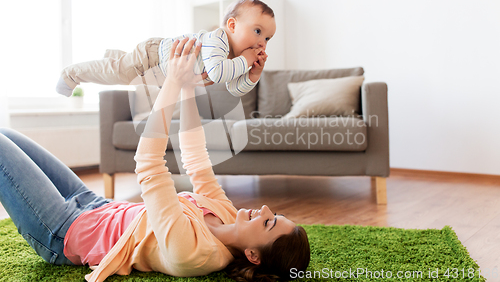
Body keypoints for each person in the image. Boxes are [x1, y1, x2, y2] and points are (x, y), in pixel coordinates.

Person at [1, 37, 310, 282]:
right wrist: (188, 88)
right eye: (274, 214)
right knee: (6, 134)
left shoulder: (192, 253)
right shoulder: (228, 215)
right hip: (95, 204)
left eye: (269, 222)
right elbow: (196, 159)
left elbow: (148, 164)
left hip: (63, 230)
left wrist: (172, 83)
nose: (265, 210)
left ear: (254, 256)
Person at [56, 0, 275, 98]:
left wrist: (253, 74)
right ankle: (70, 75)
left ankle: (113, 57)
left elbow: (233, 89)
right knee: (119, 74)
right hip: (152, 57)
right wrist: (246, 61)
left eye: (267, 38)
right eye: (257, 31)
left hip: (161, 72)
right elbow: (217, 74)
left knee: (122, 69)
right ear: (232, 26)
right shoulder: (218, 38)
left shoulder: (233, 59)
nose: (261, 42)